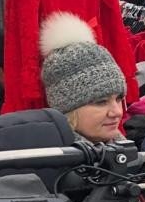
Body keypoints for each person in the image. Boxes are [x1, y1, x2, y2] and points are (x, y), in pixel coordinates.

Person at [38, 12, 127, 144]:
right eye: (101, 101)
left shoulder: (123, 151)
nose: (117, 112)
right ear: (68, 108)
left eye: (119, 98)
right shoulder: (51, 161)